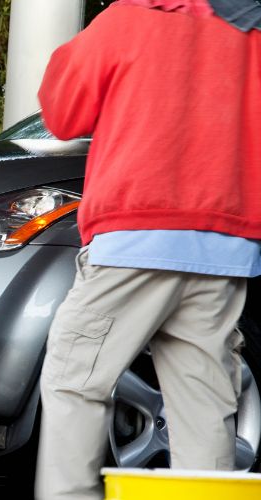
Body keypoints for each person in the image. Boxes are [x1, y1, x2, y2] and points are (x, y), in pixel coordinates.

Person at [35, 0, 261, 498]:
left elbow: (62, 112)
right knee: (205, 408)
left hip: (135, 236)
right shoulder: (250, 28)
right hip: (224, 246)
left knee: (76, 379)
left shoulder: (130, 17)